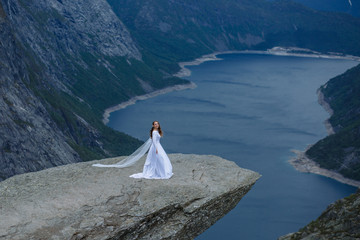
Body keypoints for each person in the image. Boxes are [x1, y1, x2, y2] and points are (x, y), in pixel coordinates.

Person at [92, 121, 173, 179]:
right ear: (153, 125)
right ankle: (160, 173)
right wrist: (156, 149)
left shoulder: (156, 131)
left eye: (157, 124)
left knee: (157, 160)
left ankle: (159, 172)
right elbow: (154, 142)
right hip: (156, 147)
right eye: (155, 124)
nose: (157, 125)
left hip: (157, 147)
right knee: (159, 159)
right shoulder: (155, 132)